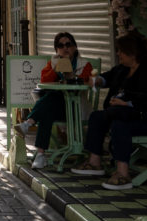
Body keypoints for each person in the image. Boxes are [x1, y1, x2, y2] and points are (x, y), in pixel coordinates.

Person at [71, 33, 147, 190]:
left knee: (119, 125)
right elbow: (108, 77)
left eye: (121, 50)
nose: (118, 54)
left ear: (133, 53)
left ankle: (123, 174)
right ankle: (94, 162)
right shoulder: (124, 69)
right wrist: (97, 80)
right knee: (97, 117)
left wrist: (127, 103)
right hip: (131, 116)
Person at [14, 32, 94, 169]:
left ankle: (30, 126)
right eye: (60, 45)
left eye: (68, 44)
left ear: (75, 47)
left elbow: (85, 83)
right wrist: (56, 68)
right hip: (60, 109)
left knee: (49, 103)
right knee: (48, 108)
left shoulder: (84, 65)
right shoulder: (54, 62)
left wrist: (71, 75)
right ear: (56, 49)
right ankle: (40, 154)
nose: (65, 48)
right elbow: (44, 81)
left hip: (77, 108)